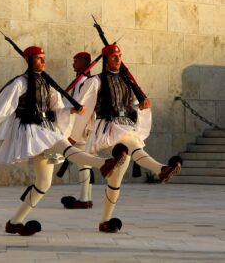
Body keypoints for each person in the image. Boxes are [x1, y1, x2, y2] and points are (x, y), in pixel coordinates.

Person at [0, 46, 124, 236]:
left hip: (46, 127)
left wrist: (71, 111)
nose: (43, 61)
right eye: (39, 58)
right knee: (63, 145)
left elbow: (57, 108)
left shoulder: (47, 83)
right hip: (31, 131)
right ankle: (104, 164)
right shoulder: (19, 83)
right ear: (29, 60)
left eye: (43, 58)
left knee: (43, 183)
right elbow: (3, 105)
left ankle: (14, 222)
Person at [69, 44, 182, 233]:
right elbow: (84, 109)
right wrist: (74, 136)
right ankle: (160, 169)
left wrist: (143, 105)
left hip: (124, 127)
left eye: (120, 56)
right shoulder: (95, 81)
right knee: (131, 141)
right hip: (106, 129)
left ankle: (105, 221)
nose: (118, 59)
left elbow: (134, 106)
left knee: (115, 180)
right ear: (106, 60)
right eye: (114, 56)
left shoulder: (126, 82)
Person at [60, 52, 94, 209]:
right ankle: (86, 197)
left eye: (76, 61)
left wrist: (77, 131)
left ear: (85, 62)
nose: (73, 64)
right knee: (84, 162)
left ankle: (84, 199)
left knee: (84, 162)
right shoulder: (79, 82)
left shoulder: (86, 82)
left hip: (81, 127)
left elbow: (82, 107)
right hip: (77, 126)